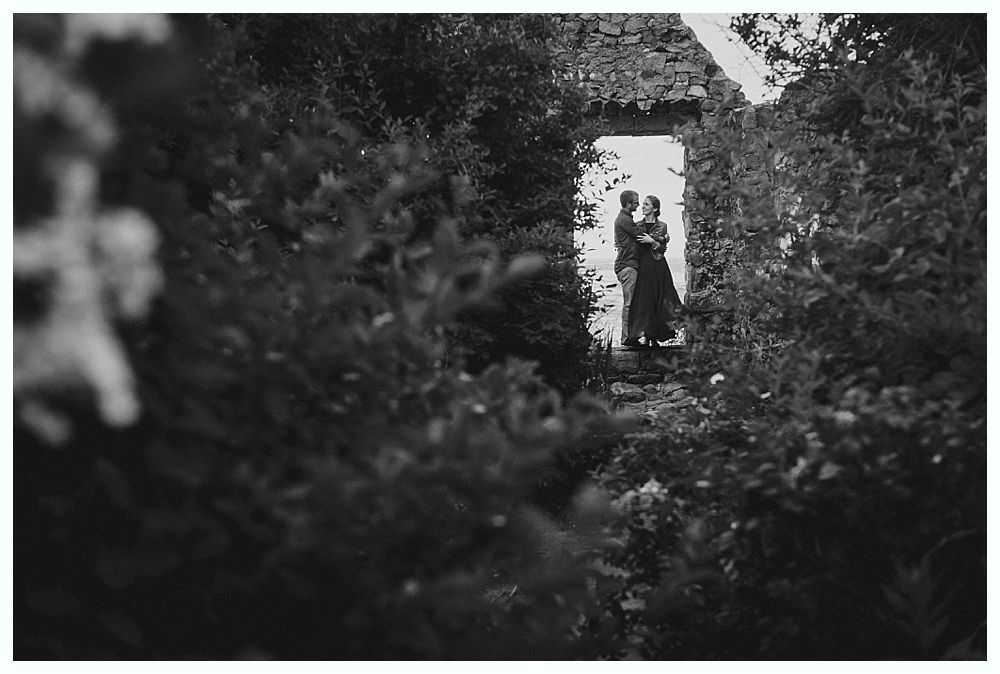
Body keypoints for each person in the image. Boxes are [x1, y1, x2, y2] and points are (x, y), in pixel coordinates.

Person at [629, 195, 682, 346]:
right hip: (643, 265)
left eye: (646, 204)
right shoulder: (637, 225)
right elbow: (636, 242)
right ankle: (645, 334)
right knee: (645, 300)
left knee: (661, 299)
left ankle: (655, 336)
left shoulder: (662, 225)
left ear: (655, 208)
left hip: (658, 264)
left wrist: (652, 241)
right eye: (643, 204)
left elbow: (662, 249)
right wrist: (661, 239)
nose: (642, 207)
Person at [613, 190, 642, 348]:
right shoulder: (624, 220)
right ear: (628, 204)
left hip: (629, 265)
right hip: (627, 265)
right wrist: (660, 238)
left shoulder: (626, 219)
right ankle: (626, 338)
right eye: (636, 201)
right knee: (629, 303)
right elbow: (639, 234)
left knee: (632, 302)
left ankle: (632, 336)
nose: (638, 204)